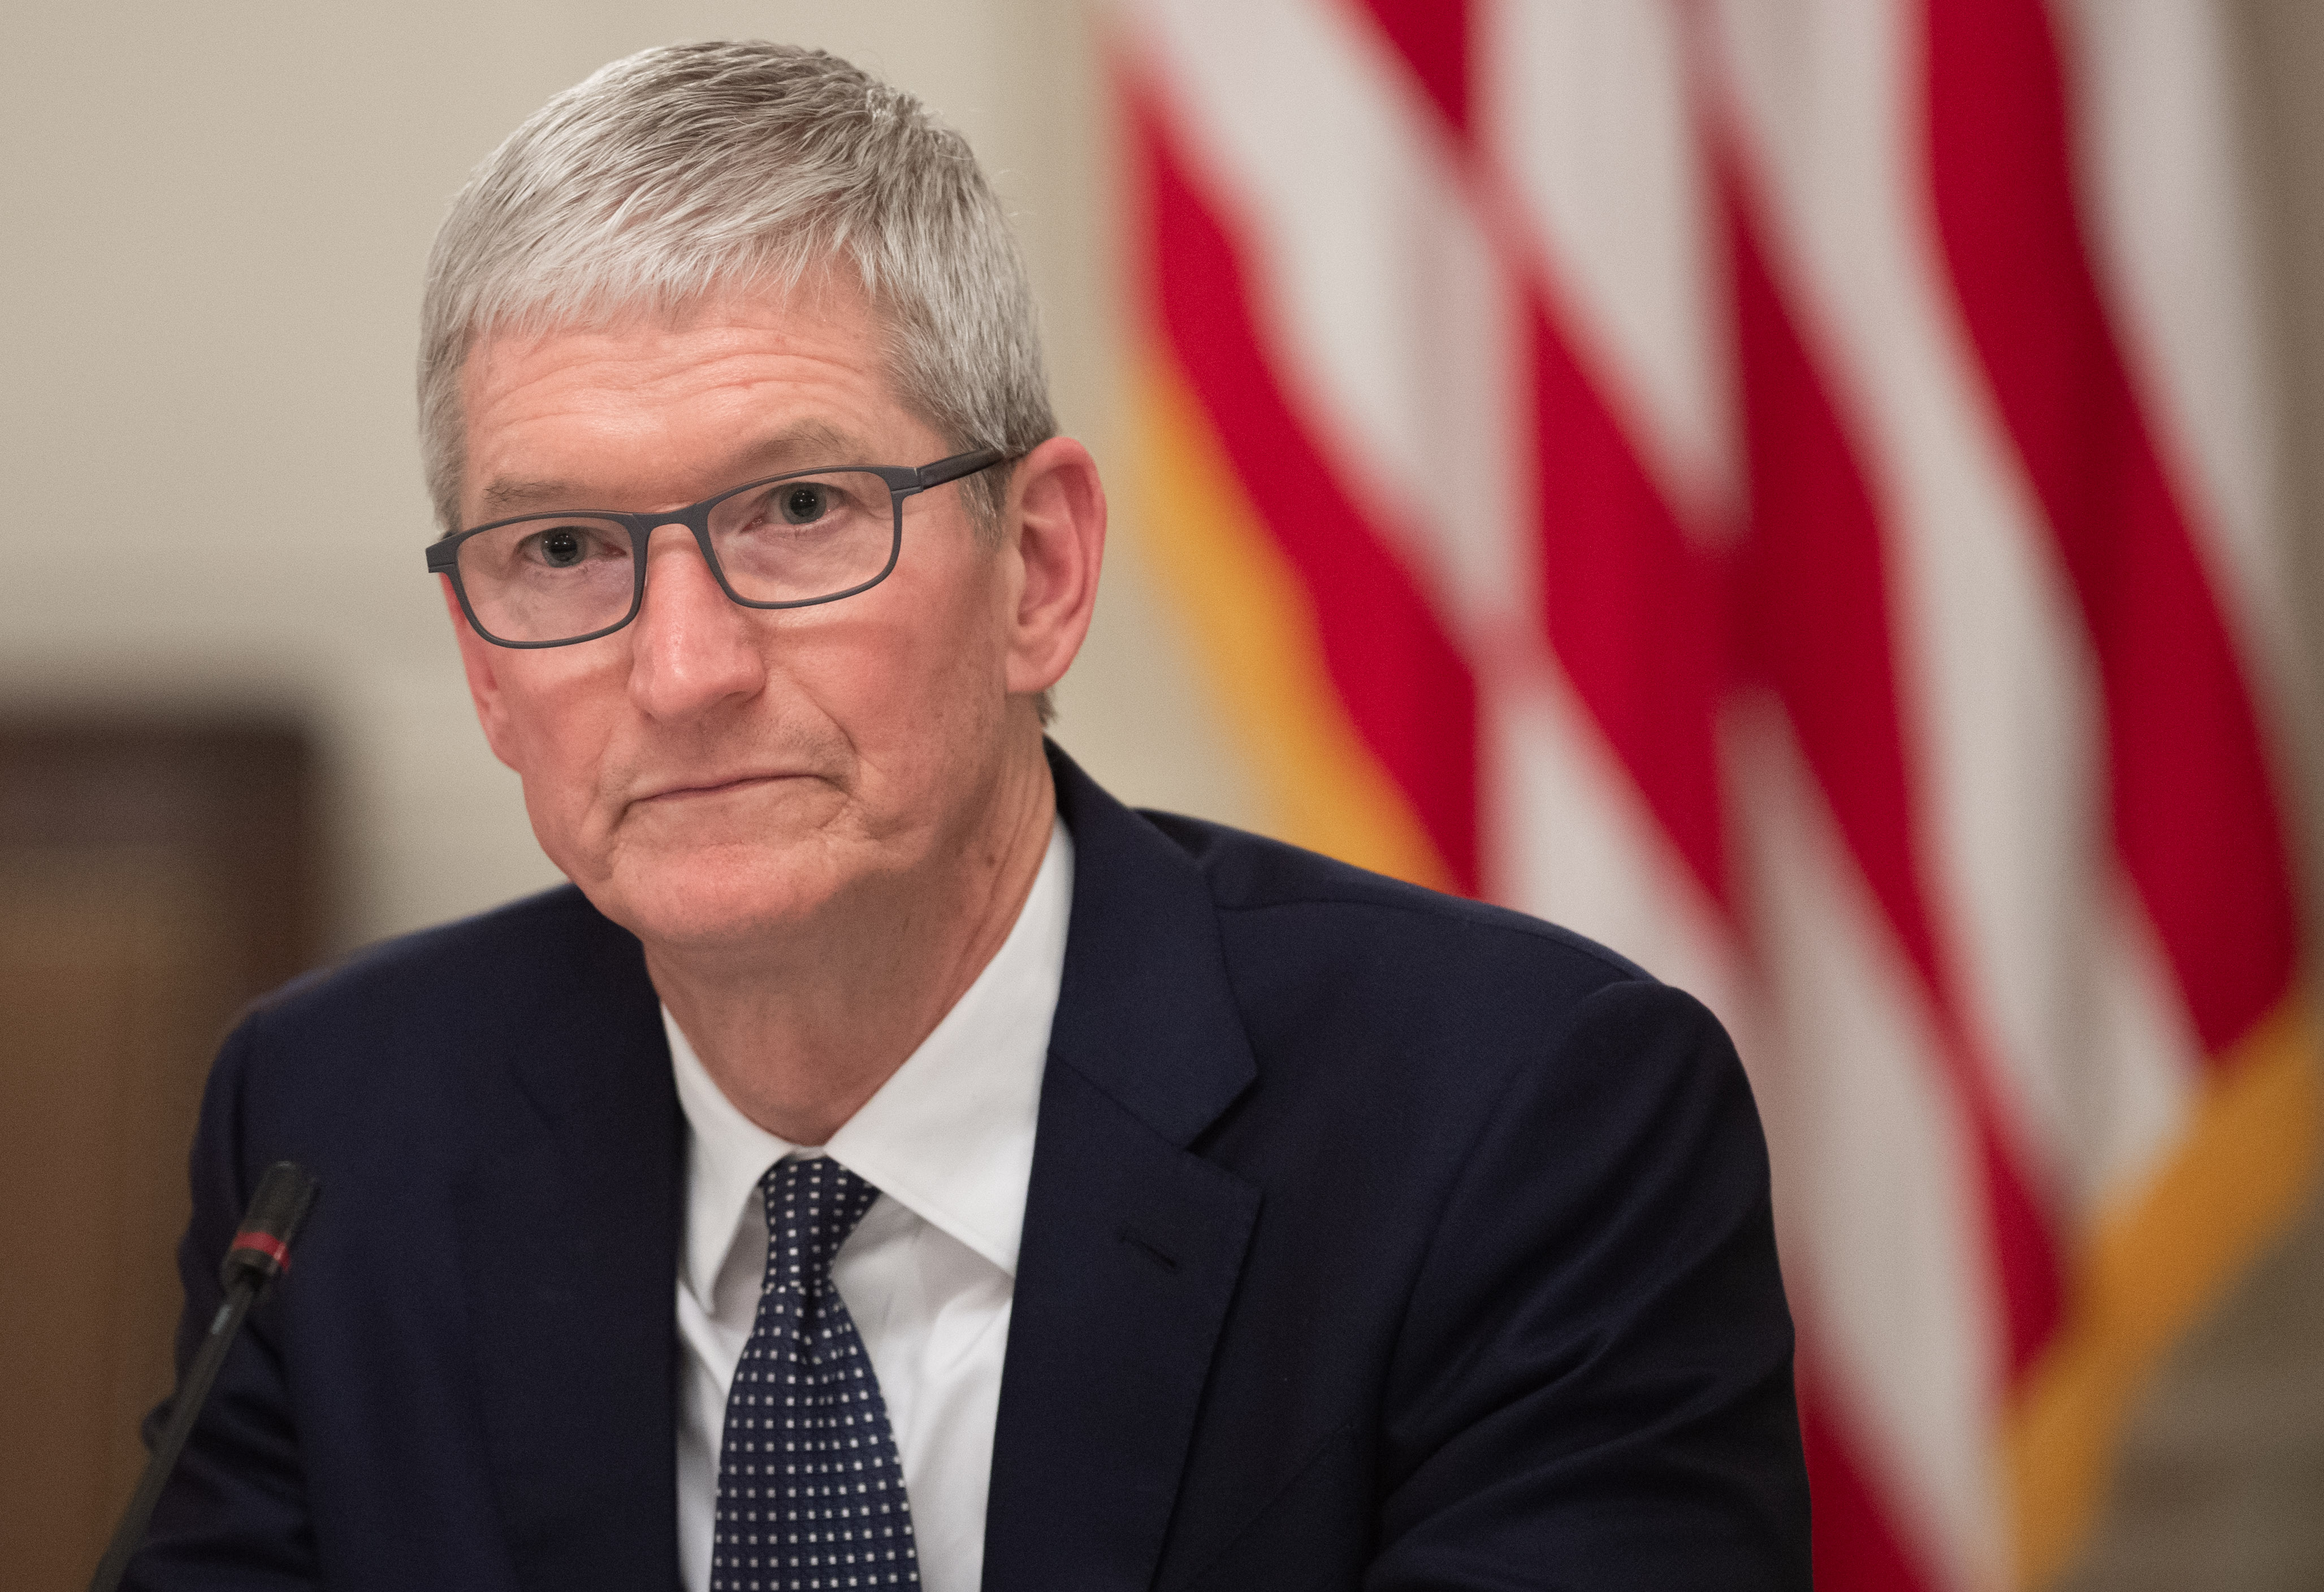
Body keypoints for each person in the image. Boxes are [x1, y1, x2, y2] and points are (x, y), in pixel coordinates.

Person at [133, 40, 1810, 1592]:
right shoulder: (333, 1135)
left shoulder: (1520, 1126)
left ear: (1042, 569)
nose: (683, 667)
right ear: (485, 670)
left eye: (797, 509)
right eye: (563, 550)